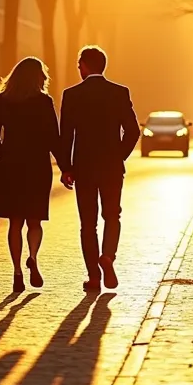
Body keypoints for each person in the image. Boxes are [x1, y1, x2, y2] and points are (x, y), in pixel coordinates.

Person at [57, 46, 140, 292]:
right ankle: (108, 256)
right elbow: (133, 131)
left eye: (79, 65)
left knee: (88, 223)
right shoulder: (119, 92)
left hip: (84, 167)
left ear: (84, 65)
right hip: (111, 167)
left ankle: (94, 277)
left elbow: (66, 136)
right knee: (112, 215)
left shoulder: (72, 95)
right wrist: (118, 156)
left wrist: (66, 167)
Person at [0, 57, 60, 293]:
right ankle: (33, 257)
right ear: (39, 77)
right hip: (37, 166)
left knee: (15, 222)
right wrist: (66, 166)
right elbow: (53, 138)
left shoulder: (3, 100)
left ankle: (17, 271)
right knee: (35, 220)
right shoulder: (44, 102)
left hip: (11, 166)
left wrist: (1, 153)